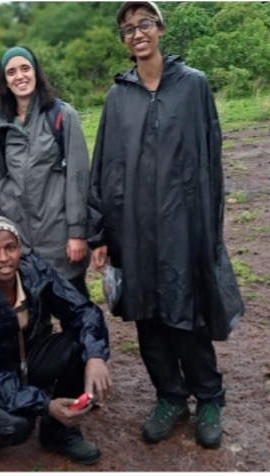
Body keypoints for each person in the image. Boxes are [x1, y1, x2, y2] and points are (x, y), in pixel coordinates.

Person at [87, 1, 244, 450]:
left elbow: (210, 161)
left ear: (160, 29)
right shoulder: (119, 97)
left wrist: (210, 230)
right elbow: (105, 166)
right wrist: (99, 232)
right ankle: (169, 397)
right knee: (147, 317)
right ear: (123, 40)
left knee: (186, 311)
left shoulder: (192, 86)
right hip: (133, 228)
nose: (136, 34)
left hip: (184, 225)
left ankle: (209, 397)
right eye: (127, 29)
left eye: (144, 24)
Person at [0, 215, 112, 466]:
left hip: (22, 358)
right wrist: (45, 404)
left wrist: (96, 355)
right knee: (16, 426)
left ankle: (58, 432)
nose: (3, 258)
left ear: (19, 249)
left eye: (10, 248)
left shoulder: (35, 271)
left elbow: (82, 311)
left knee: (79, 346)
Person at [0, 46, 92, 299]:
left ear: (36, 73)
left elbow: (78, 178)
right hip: (21, 245)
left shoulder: (62, 115)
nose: (19, 76)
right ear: (5, 81)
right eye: (11, 72)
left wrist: (77, 233)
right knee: (35, 323)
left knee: (77, 315)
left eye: (25, 68)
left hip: (59, 237)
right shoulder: (1, 126)